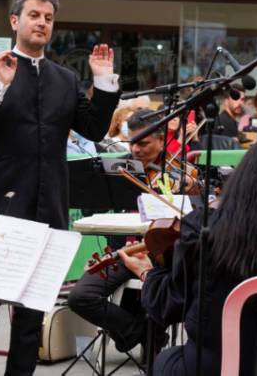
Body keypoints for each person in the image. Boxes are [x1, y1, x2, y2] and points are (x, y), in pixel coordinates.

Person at [0, 0, 119, 376]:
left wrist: (103, 82)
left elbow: (94, 129)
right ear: (15, 21)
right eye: (34, 15)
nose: (42, 23)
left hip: (49, 208)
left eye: (48, 18)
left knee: (31, 314)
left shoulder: (65, 78)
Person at [119, 138, 257, 376]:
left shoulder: (205, 229)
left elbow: (166, 307)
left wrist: (148, 272)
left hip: (212, 366)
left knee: (165, 361)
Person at [68, 109, 190, 355]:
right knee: (80, 297)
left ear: (161, 140)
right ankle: (143, 333)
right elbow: (93, 207)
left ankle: (150, 342)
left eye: (143, 144)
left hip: (162, 257)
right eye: (132, 143)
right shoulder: (119, 166)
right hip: (123, 251)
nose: (135, 150)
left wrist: (185, 189)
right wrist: (93, 189)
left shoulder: (178, 171)